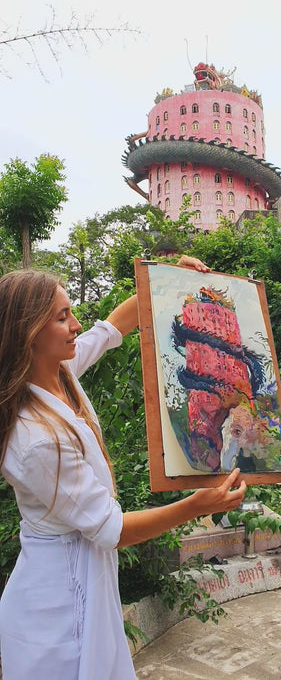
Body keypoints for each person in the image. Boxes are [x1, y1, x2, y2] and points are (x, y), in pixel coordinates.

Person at [0, 256, 246, 680]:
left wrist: (167, 275)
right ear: (30, 333)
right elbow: (111, 530)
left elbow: (110, 329)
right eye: (63, 317)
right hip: (58, 600)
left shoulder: (57, 372)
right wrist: (196, 506)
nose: (76, 325)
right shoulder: (36, 437)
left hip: (83, 577)